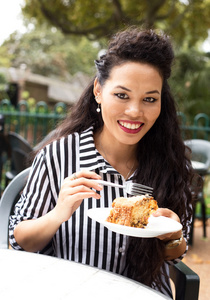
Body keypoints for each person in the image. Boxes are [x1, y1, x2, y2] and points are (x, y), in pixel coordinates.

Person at [9, 27, 194, 297]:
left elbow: (176, 256)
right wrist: (58, 213)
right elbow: (19, 240)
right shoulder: (60, 156)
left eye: (149, 99)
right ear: (98, 90)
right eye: (122, 95)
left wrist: (172, 235)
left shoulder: (171, 164)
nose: (135, 111)